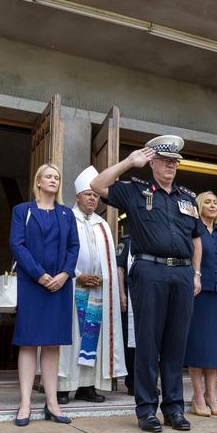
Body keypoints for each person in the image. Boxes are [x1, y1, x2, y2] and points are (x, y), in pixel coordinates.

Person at [91, 135, 203, 433]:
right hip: (149, 272)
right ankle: (146, 410)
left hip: (181, 274)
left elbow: (196, 238)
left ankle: (175, 409)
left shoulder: (187, 198)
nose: (171, 166)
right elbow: (97, 185)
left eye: (175, 162)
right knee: (148, 344)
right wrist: (129, 162)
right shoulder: (136, 191)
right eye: (165, 161)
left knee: (175, 345)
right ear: (152, 163)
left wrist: (196, 273)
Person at [10, 164, 79, 426]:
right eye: (48, 176)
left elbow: (74, 246)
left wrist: (65, 274)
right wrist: (39, 275)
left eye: (57, 177)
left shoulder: (66, 214)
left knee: (52, 343)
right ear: (38, 181)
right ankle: (26, 403)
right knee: (28, 342)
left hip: (60, 285)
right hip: (32, 284)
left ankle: (52, 403)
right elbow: (17, 245)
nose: (53, 180)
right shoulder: (22, 211)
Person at [57, 166, 126, 404]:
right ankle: (63, 388)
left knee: (93, 337)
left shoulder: (103, 225)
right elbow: (60, 255)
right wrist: (77, 276)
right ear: (77, 196)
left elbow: (107, 260)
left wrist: (102, 279)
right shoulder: (66, 219)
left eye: (96, 195)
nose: (92, 199)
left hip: (97, 290)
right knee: (72, 337)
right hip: (72, 287)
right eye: (88, 194)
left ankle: (87, 387)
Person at [184, 191, 217, 417]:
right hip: (198, 293)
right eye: (208, 202)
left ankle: (211, 396)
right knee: (197, 345)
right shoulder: (192, 231)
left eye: (216, 202)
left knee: (215, 347)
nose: (213, 205)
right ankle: (197, 397)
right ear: (199, 206)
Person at [116, 233, 135, 395]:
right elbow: (119, 268)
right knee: (130, 341)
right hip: (130, 296)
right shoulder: (127, 242)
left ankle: (146, 382)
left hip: (150, 295)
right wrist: (121, 293)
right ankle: (132, 382)